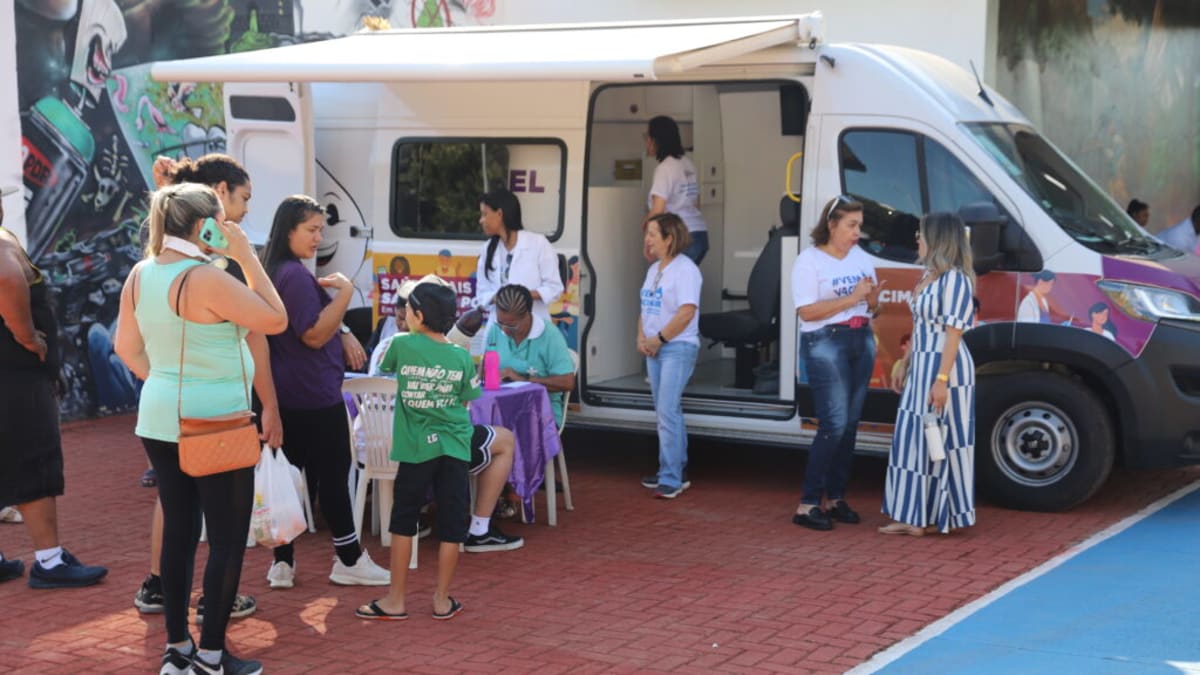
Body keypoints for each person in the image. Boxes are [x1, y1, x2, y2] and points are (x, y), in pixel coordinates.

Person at [114, 182, 288, 674]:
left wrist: (169, 382)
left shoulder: (139, 273)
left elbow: (126, 348)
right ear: (205, 224)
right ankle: (211, 653)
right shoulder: (208, 278)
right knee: (228, 539)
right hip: (215, 421)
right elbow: (275, 319)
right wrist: (247, 256)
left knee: (180, 533)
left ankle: (178, 650)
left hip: (160, 416)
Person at [356, 283, 513, 620]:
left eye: (408, 309)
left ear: (419, 316)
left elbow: (386, 367)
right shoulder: (460, 356)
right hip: (455, 445)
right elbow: (467, 397)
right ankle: (442, 599)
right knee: (453, 522)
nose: (403, 315)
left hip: (414, 448)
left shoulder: (401, 344)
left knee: (404, 519)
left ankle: (395, 599)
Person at [258, 195, 389, 590]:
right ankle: (348, 558)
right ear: (290, 230)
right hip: (313, 394)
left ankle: (283, 562)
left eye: (321, 230)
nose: (319, 238)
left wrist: (344, 330)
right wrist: (347, 296)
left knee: (286, 479)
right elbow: (313, 333)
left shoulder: (275, 271)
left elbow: (312, 324)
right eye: (312, 230)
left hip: (289, 394)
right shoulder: (294, 275)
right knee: (332, 478)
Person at [0, 183, 108, 589]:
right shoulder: (1, 247)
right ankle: (49, 561)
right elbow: (7, 279)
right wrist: (30, 338)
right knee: (34, 461)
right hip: (15, 377)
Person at [881, 212, 977, 536]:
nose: (916, 240)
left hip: (944, 367)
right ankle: (912, 516)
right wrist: (905, 362)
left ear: (937, 239)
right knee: (912, 437)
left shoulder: (956, 280)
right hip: (922, 364)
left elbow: (954, 332)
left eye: (921, 234)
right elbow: (920, 325)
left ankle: (937, 516)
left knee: (942, 440)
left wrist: (942, 380)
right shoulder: (928, 276)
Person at [790, 195, 882, 531]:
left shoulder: (859, 257)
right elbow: (806, 311)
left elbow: (873, 307)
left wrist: (871, 301)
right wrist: (854, 298)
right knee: (834, 423)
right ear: (832, 225)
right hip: (825, 342)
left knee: (850, 424)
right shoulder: (809, 261)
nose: (858, 232)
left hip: (860, 338)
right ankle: (808, 503)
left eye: (859, 225)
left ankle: (836, 498)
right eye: (851, 225)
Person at [637, 213, 703, 499]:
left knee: (667, 411)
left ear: (669, 238)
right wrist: (642, 338)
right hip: (656, 348)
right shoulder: (655, 270)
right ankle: (674, 469)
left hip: (677, 347)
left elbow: (687, 312)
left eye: (653, 234)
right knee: (667, 412)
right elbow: (645, 308)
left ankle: (671, 477)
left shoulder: (686, 270)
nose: (647, 240)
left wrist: (659, 339)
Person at [485, 284, 576, 428]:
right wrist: (486, 375)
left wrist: (523, 379)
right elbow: (486, 373)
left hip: (540, 413)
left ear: (527, 315)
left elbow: (567, 383)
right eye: (500, 322)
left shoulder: (550, 335)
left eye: (511, 325)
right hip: (501, 409)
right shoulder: (495, 330)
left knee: (503, 438)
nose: (504, 330)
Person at [473, 188, 563, 329]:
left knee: (529, 350)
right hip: (497, 330)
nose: (481, 220)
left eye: (485, 214)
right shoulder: (488, 248)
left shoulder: (538, 244)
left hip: (534, 330)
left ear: (500, 214)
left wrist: (522, 296)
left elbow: (554, 288)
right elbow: (482, 294)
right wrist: (501, 298)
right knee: (492, 352)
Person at [642, 115, 707, 264]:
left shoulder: (665, 168)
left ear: (655, 140)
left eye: (648, 137)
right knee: (683, 284)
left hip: (680, 237)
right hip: (700, 234)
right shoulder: (688, 164)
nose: (647, 142)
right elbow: (697, 204)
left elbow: (658, 211)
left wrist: (647, 234)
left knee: (669, 284)